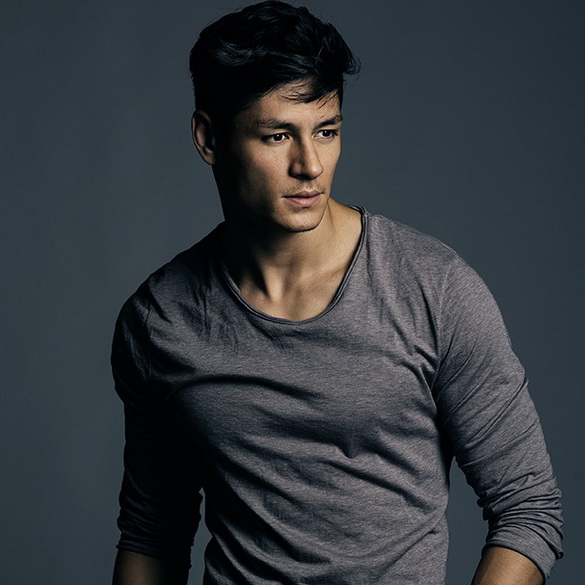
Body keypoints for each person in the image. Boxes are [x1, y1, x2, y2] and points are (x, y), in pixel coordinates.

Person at [111, 2, 563, 584]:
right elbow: (151, 537)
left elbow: (528, 510)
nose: (310, 165)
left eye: (326, 131)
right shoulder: (160, 322)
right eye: (278, 135)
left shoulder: (434, 288)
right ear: (209, 138)